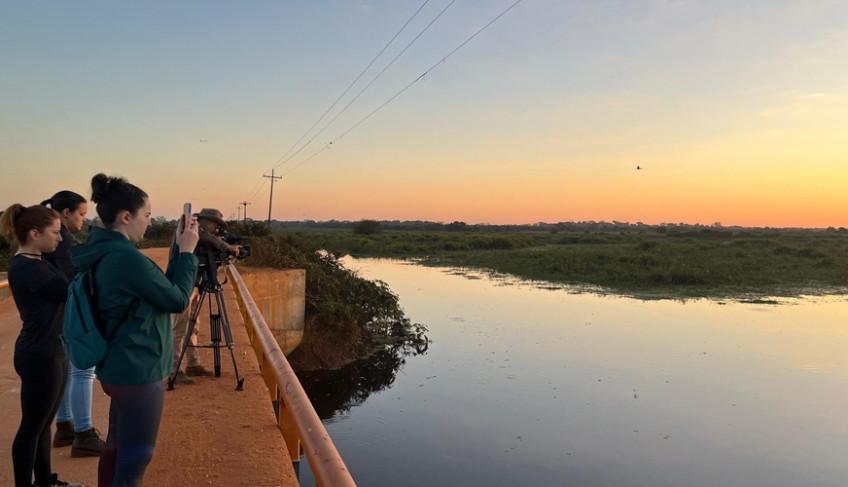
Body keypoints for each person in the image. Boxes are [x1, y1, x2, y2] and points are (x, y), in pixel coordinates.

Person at [70, 173, 199, 486]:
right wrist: (188, 253)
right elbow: (178, 299)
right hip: (139, 370)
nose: (150, 223)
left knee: (116, 447)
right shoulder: (126, 259)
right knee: (137, 456)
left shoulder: (102, 251)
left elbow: (158, 288)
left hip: (117, 365)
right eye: (147, 216)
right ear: (126, 217)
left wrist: (177, 251)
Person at [0, 203, 83, 487]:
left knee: (43, 423)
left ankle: (46, 480)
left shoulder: (39, 261)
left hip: (51, 350)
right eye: (55, 233)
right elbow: (70, 290)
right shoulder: (26, 267)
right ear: (35, 234)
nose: (60, 239)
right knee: (31, 427)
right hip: (39, 354)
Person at [42, 191, 107, 457]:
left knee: (69, 371)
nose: (84, 218)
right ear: (65, 213)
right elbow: (77, 282)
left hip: (54, 316)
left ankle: (66, 426)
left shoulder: (55, 239)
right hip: (69, 316)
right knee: (82, 372)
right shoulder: (64, 242)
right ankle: (83, 432)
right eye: (81, 213)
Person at [170, 208, 240, 385]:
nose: (216, 231)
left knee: (192, 325)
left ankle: (193, 364)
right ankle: (174, 370)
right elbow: (206, 236)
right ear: (207, 222)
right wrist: (228, 247)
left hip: (194, 285)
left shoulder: (196, 233)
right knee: (179, 328)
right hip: (182, 286)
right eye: (216, 226)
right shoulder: (190, 227)